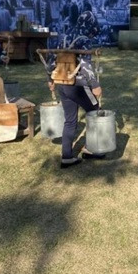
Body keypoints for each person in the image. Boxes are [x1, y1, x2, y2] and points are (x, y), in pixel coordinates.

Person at [46, 29, 104, 169]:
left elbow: (50, 65)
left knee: (70, 120)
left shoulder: (63, 43)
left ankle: (67, 157)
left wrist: (50, 80)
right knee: (94, 111)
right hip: (78, 86)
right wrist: (95, 85)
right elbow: (85, 64)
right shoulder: (82, 42)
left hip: (62, 84)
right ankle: (90, 148)